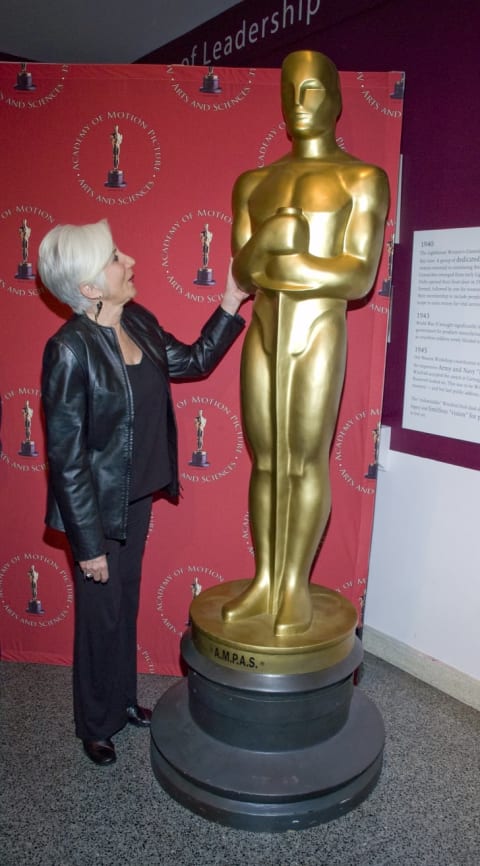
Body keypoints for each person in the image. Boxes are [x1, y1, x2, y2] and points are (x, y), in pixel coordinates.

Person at [38, 218, 247, 766]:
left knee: (124, 608)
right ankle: (95, 722)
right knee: (99, 618)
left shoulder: (140, 321)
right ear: (88, 288)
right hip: (98, 514)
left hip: (139, 500)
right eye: (113, 258)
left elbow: (195, 361)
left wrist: (231, 298)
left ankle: (123, 702)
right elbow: (67, 458)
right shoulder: (68, 350)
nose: (128, 260)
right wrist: (87, 545)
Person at [222, 50, 389, 637]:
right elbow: (243, 273)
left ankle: (293, 584)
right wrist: (269, 238)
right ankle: (265, 578)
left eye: (313, 90)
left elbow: (357, 276)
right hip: (266, 332)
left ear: (338, 98)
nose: (299, 104)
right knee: (266, 461)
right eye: (291, 91)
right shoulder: (255, 182)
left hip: (318, 330)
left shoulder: (361, 179)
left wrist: (281, 255)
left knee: (304, 460)